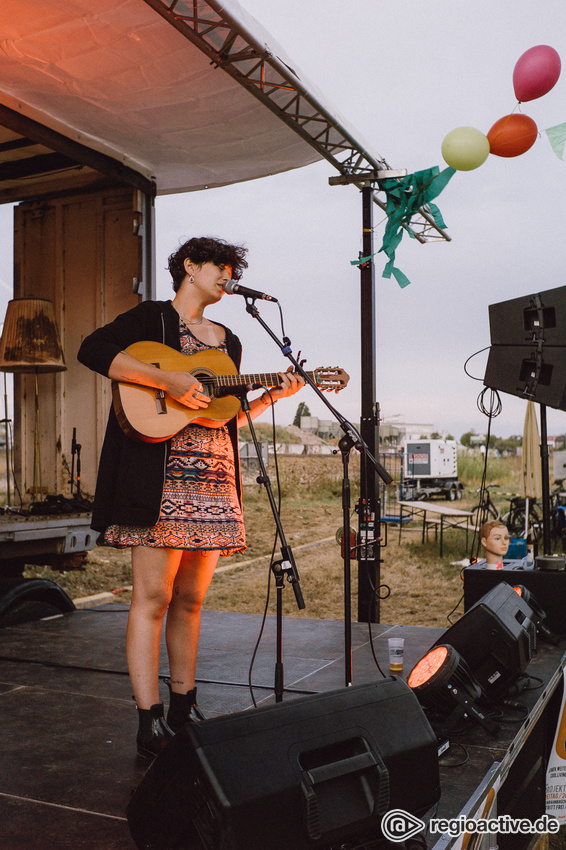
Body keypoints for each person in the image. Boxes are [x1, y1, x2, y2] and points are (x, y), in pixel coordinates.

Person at [78, 236, 305, 758]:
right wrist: (167, 380)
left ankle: (185, 706)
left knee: (192, 599)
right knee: (153, 598)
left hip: (213, 479)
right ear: (189, 266)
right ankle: (148, 718)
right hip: (158, 480)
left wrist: (273, 395)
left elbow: (225, 415)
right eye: (219, 267)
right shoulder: (150, 319)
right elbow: (94, 351)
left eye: (233, 270)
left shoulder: (229, 340)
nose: (227, 276)